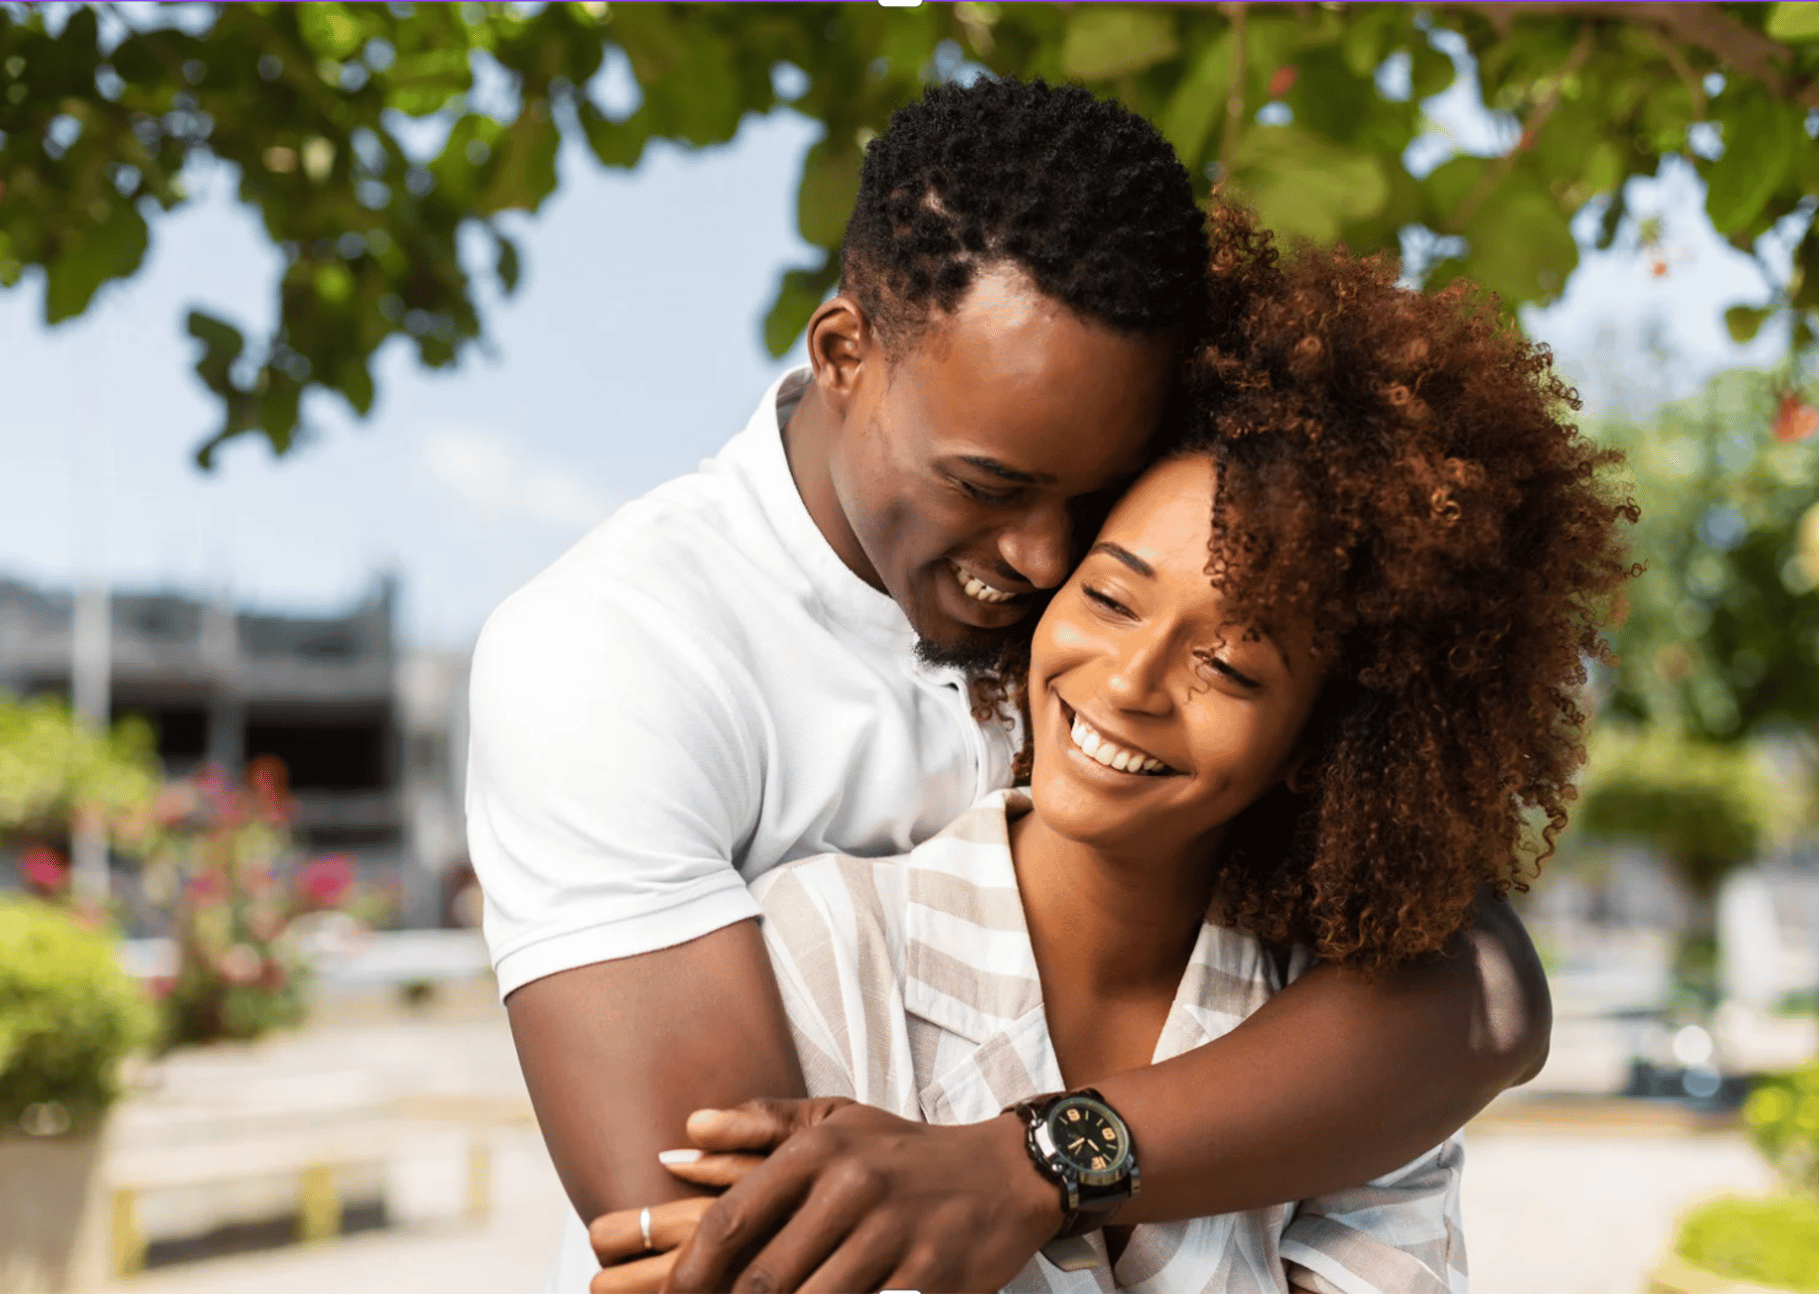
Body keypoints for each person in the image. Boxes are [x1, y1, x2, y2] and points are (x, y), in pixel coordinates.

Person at [468, 79, 1552, 1294]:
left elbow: (1487, 1001)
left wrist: (1033, 1162)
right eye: (989, 485)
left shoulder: (1144, 552)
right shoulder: (614, 654)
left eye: (1088, 504)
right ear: (843, 354)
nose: (1044, 561)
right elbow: (742, 1260)